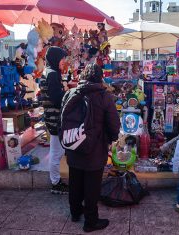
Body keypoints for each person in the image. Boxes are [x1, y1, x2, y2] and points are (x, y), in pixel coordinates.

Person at [63, 63, 120, 233]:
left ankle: (75, 213)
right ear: (100, 77)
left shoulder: (70, 93)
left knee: (75, 181)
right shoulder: (104, 96)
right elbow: (114, 125)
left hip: (73, 144)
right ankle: (90, 221)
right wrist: (111, 139)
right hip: (95, 148)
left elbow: (62, 120)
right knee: (92, 186)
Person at [41, 46, 69, 194]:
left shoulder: (49, 72)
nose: (63, 61)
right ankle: (55, 183)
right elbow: (57, 99)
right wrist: (67, 93)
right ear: (55, 58)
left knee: (56, 150)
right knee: (56, 152)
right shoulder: (52, 74)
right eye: (62, 58)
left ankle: (56, 180)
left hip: (52, 117)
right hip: (55, 118)